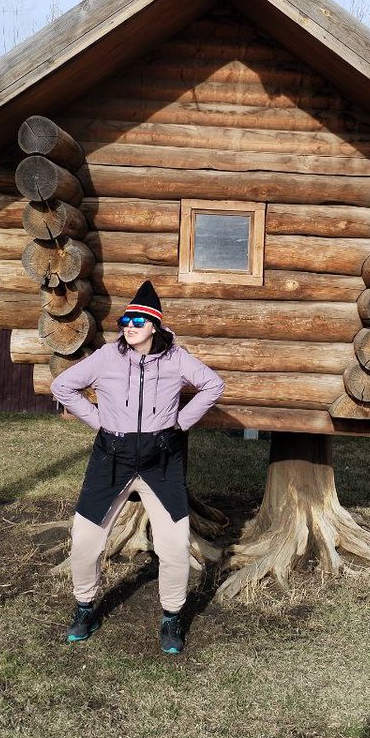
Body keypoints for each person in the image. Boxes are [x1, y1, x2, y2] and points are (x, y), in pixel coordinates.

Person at [50, 280, 224, 654]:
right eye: (126, 319)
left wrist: (181, 421)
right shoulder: (107, 357)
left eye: (138, 320)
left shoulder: (176, 357)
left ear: (155, 326)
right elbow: (64, 387)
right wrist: (98, 421)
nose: (129, 325)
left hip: (162, 459)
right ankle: (84, 608)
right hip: (111, 457)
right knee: (84, 539)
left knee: (175, 545)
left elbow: (213, 384)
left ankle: (172, 617)